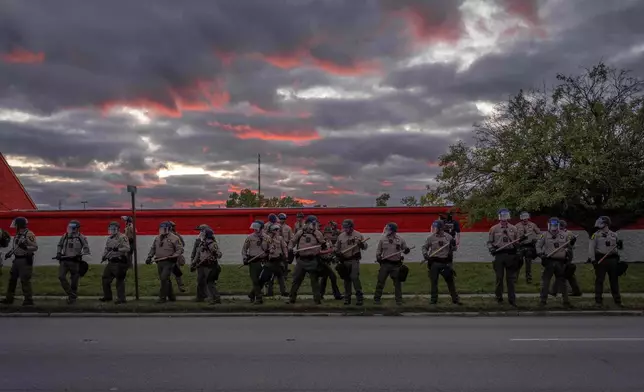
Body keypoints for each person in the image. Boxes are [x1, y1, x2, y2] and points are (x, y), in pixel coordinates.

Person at [487, 208, 523, 306]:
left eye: (506, 216)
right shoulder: (494, 229)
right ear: (499, 217)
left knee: (510, 279)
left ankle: (512, 299)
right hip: (499, 255)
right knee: (499, 277)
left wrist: (519, 245)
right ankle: (499, 297)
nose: (504, 218)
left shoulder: (514, 228)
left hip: (511, 255)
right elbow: (489, 242)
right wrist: (491, 249)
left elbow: (517, 242)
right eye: (502, 216)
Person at [287, 215, 325, 304]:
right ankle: (291, 299)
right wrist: (290, 248)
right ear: (307, 223)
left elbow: (323, 244)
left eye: (315, 224)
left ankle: (317, 300)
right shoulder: (300, 233)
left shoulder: (318, 233)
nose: (314, 225)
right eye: (313, 223)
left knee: (314, 281)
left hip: (313, 260)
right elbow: (292, 241)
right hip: (301, 260)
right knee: (296, 280)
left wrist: (324, 245)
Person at [1, 217, 38, 306]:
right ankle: (9, 298)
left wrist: (25, 247)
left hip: (25, 260)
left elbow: (35, 247)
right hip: (17, 259)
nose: (15, 226)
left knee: (25, 280)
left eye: (16, 224)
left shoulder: (29, 234)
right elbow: (15, 246)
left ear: (20, 225)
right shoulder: (18, 234)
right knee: (12, 280)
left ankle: (28, 300)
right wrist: (10, 253)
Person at [588, 216, 624, 307]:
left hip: (612, 259)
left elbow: (619, 249)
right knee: (599, 280)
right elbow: (591, 248)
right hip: (601, 260)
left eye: (601, 222)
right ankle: (598, 301)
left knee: (614, 281)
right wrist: (593, 260)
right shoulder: (595, 235)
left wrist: (620, 245)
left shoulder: (614, 235)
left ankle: (618, 301)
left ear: (606, 224)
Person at [422, 220, 460, 305]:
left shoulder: (449, 237)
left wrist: (453, 245)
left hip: (445, 263)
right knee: (434, 282)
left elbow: (454, 249)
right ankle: (433, 300)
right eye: (434, 228)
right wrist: (425, 254)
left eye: (436, 228)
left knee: (450, 281)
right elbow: (424, 247)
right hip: (434, 263)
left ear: (441, 228)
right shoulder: (430, 238)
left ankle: (455, 299)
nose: (434, 229)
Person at [145, 221, 184, 303]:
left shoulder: (175, 238)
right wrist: (149, 256)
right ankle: (171, 296)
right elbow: (153, 248)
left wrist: (173, 256)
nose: (163, 230)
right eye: (161, 229)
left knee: (163, 278)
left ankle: (162, 297)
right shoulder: (157, 238)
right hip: (159, 261)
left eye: (164, 229)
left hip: (169, 261)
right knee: (166, 279)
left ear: (169, 229)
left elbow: (180, 249)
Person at [536, 217, 571, 307]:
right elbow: (538, 246)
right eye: (552, 225)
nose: (554, 227)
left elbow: (569, 246)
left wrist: (568, 250)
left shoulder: (565, 235)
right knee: (546, 282)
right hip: (549, 261)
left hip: (561, 262)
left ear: (558, 225)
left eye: (555, 225)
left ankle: (566, 301)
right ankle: (543, 301)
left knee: (562, 282)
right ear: (549, 225)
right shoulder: (544, 235)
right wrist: (540, 254)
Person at [55, 220, 90, 304]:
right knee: (61, 276)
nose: (71, 229)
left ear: (77, 228)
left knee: (74, 281)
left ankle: (72, 299)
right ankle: (71, 294)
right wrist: (59, 253)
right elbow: (59, 245)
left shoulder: (81, 237)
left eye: (72, 228)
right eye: (70, 227)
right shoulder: (65, 236)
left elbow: (86, 249)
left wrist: (81, 254)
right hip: (65, 260)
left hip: (75, 262)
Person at [374, 222, 409, 305]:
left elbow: (405, 249)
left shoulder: (400, 239)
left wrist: (407, 250)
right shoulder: (382, 239)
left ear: (393, 230)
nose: (386, 230)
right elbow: (379, 250)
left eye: (388, 229)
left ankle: (399, 300)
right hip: (385, 264)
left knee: (397, 283)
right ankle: (377, 299)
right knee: (380, 281)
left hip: (396, 265)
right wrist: (378, 257)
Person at [334, 219, 367, 305]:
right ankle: (347, 298)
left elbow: (365, 247)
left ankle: (359, 297)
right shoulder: (341, 236)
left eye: (347, 228)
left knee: (354, 277)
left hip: (354, 260)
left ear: (351, 227)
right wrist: (337, 253)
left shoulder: (358, 235)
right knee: (346, 279)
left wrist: (361, 244)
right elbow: (336, 248)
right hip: (344, 261)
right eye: (344, 227)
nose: (345, 229)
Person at [101, 221, 131, 304]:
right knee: (105, 278)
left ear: (118, 229)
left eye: (114, 229)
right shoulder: (109, 238)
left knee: (119, 280)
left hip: (119, 262)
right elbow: (107, 249)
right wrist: (104, 256)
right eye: (111, 229)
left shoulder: (122, 237)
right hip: (111, 261)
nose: (112, 230)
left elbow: (127, 248)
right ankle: (107, 297)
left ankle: (121, 299)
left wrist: (118, 249)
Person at [550, 219, 582, 297]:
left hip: (566, 255)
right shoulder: (556, 233)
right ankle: (576, 291)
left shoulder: (568, 233)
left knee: (560, 273)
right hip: (559, 255)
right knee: (570, 275)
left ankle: (554, 291)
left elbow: (571, 244)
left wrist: (572, 242)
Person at [242, 220, 271, 304]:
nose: (255, 230)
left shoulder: (267, 238)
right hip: (253, 261)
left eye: (256, 229)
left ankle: (252, 294)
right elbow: (244, 249)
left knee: (262, 280)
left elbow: (272, 247)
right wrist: (244, 258)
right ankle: (259, 298)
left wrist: (271, 251)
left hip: (264, 261)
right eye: (254, 229)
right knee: (255, 280)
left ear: (261, 228)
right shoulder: (250, 238)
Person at [191, 228, 222, 304]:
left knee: (209, 283)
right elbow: (198, 254)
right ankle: (211, 297)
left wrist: (215, 253)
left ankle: (213, 298)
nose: (201, 235)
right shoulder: (201, 243)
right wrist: (193, 263)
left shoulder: (212, 243)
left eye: (203, 234)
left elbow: (219, 254)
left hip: (210, 265)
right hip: (202, 265)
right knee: (203, 282)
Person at [318, 226, 343, 301]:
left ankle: (320, 294)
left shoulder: (329, 241)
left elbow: (332, 250)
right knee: (333, 277)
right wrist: (328, 251)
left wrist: (333, 254)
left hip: (328, 262)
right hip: (323, 261)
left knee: (324, 279)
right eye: (329, 233)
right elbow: (319, 251)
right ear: (325, 233)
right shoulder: (322, 241)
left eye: (331, 233)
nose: (330, 235)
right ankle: (337, 295)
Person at [516, 211, 541, 284]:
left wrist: (536, 239)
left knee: (528, 263)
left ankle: (529, 278)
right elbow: (513, 236)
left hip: (530, 246)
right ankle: (515, 278)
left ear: (528, 218)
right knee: (518, 262)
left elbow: (540, 234)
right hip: (520, 246)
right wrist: (519, 239)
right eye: (523, 218)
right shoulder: (516, 226)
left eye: (526, 218)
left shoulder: (533, 225)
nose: (525, 219)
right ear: (521, 218)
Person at [265, 224, 289, 297]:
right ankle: (269, 292)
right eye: (275, 230)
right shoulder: (267, 238)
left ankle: (283, 291)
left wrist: (286, 255)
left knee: (280, 276)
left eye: (277, 230)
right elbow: (264, 248)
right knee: (270, 277)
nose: (276, 231)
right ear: (271, 231)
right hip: (271, 260)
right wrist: (268, 251)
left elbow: (284, 247)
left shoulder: (280, 238)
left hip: (278, 260)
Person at [169, 221, 187, 292]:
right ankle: (179, 287)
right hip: (170, 257)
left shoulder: (176, 235)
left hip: (173, 257)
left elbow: (182, 244)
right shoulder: (177, 235)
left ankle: (179, 287)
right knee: (176, 273)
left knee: (176, 273)